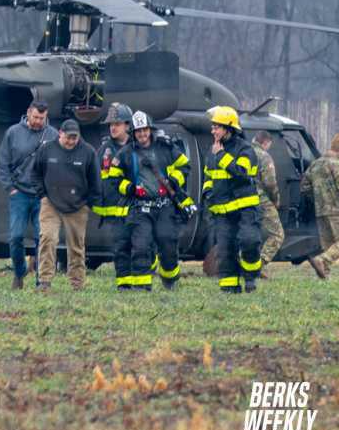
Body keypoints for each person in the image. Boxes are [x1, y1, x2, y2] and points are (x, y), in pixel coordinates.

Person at [111, 111, 195, 291]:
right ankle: (142, 287)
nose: (142, 134)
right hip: (140, 208)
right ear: (133, 132)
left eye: (145, 130)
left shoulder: (165, 147)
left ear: (150, 130)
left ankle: (170, 278)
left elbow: (185, 165)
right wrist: (130, 188)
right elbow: (114, 178)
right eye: (138, 131)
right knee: (140, 245)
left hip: (164, 205)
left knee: (168, 242)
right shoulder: (125, 153)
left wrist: (174, 180)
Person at [0, 100, 58, 289]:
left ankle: (42, 279)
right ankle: (19, 272)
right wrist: (10, 188)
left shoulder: (53, 135)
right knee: (15, 237)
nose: (39, 121)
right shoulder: (13, 133)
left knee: (44, 238)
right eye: (36, 117)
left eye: (42, 117)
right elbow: (3, 163)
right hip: (20, 194)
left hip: (43, 196)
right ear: (28, 113)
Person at [34, 119, 100, 291]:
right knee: (48, 238)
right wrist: (42, 194)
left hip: (78, 206)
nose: (71, 141)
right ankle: (44, 281)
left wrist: (89, 203)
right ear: (60, 134)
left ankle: (77, 283)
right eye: (68, 137)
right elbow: (35, 173)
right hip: (51, 202)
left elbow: (95, 181)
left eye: (74, 138)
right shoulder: (46, 149)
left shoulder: (88, 152)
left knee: (76, 245)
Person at [202, 105, 262, 293]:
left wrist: (222, 156)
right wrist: (207, 195)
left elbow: (242, 174)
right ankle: (229, 290)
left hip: (245, 209)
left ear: (228, 128)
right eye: (213, 127)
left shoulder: (245, 150)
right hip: (222, 212)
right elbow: (208, 178)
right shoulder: (212, 152)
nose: (213, 131)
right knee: (225, 251)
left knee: (249, 241)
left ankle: (251, 277)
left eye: (216, 127)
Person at [302, 133, 339, 280]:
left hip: (320, 211)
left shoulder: (315, 164)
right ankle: (322, 261)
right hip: (336, 211)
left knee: (328, 246)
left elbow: (304, 186)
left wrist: (317, 198)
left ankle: (324, 277)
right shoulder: (337, 166)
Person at [97, 103, 135, 288]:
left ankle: (141, 279)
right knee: (120, 247)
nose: (113, 127)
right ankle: (124, 284)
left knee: (140, 244)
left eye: (117, 123)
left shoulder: (138, 147)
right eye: (111, 124)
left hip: (136, 205)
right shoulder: (104, 149)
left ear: (127, 125)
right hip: (114, 208)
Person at [252, 130, 284, 276]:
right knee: (277, 234)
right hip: (260, 200)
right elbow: (270, 182)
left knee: (249, 233)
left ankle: (241, 262)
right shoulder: (264, 156)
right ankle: (258, 265)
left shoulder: (243, 152)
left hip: (240, 200)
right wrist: (276, 200)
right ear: (265, 142)